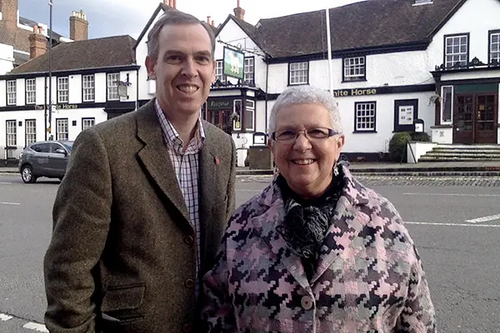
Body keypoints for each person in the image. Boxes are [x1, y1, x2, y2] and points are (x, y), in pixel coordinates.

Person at [43, 10, 236, 333]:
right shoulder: (102, 146)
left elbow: (221, 255)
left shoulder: (223, 147)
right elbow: (68, 269)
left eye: (201, 59)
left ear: (213, 70)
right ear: (151, 66)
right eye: (175, 57)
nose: (190, 71)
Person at [201, 86, 436, 332]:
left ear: (339, 144)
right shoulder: (244, 223)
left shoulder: (383, 219)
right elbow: (215, 313)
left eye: (317, 132)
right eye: (288, 133)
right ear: (272, 146)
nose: (302, 144)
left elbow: (418, 321)